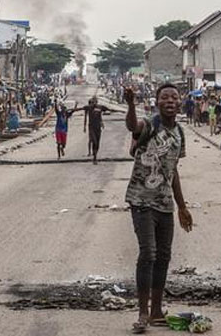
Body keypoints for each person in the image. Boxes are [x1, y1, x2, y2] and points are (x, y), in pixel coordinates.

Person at [123, 84, 192, 334]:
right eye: (165, 97)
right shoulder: (150, 125)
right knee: (148, 254)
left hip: (165, 204)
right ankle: (143, 312)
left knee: (163, 257)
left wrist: (182, 206)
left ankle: (156, 311)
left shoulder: (179, 132)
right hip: (141, 200)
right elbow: (133, 126)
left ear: (180, 102)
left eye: (174, 97)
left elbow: (173, 171)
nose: (170, 101)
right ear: (157, 102)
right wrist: (131, 104)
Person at [81, 97, 114, 165]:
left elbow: (107, 110)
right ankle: (94, 157)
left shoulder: (100, 107)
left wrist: (102, 123)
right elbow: (80, 110)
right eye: (93, 102)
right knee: (94, 142)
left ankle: (95, 155)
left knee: (97, 144)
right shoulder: (89, 107)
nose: (94, 103)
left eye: (95, 102)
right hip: (91, 128)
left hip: (98, 128)